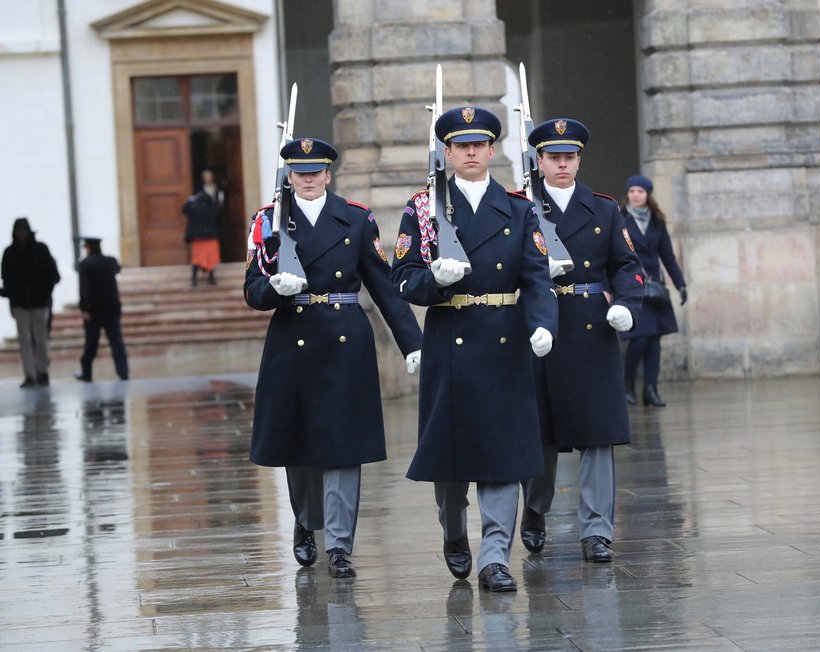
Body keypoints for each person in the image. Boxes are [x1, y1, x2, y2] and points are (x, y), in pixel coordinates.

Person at [390, 106, 558, 592]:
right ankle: (453, 529)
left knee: (503, 457)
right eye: (461, 145)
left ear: (491, 151)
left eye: (479, 144)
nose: (470, 151)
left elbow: (537, 278)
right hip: (451, 340)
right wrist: (435, 282)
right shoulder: (424, 208)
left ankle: (495, 558)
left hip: (505, 340)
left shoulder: (520, 209)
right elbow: (402, 278)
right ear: (447, 152)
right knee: (452, 460)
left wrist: (544, 324)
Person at [245, 137, 423, 579]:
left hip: (344, 338)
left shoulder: (357, 220)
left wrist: (413, 343)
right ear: (289, 175)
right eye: (299, 171)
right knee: (298, 447)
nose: (307, 178)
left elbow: (383, 287)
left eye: (315, 171)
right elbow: (252, 290)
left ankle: (340, 546)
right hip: (293, 338)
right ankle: (307, 522)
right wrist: (275, 290)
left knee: (345, 449)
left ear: (328, 174)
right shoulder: (268, 221)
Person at [517, 118, 644, 564]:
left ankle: (596, 530)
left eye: (569, 157)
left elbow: (626, 263)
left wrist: (627, 301)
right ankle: (535, 509)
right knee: (540, 433)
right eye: (554, 158)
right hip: (540, 324)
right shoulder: (522, 208)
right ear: (540, 161)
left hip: (592, 325)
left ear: (579, 160)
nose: (563, 164)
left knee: (598, 434)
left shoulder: (605, 209)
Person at [620, 175, 687, 407]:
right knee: (639, 339)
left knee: (654, 341)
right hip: (632, 287)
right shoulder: (620, 219)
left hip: (655, 289)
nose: (635, 195)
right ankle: (628, 384)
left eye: (640, 191)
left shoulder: (657, 222)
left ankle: (651, 389)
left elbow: (667, 256)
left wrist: (681, 284)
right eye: (631, 191)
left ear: (648, 194)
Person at [0, 217, 60, 388]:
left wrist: (45, 293)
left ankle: (42, 371)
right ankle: (30, 374)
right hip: (21, 303)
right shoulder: (10, 253)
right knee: (25, 340)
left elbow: (51, 274)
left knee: (40, 339)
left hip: (39, 302)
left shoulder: (40, 249)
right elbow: (7, 278)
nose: (21, 234)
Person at [74, 236, 129, 382]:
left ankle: (87, 372)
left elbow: (84, 288)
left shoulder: (85, 264)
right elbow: (117, 269)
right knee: (116, 340)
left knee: (91, 342)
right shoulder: (111, 261)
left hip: (94, 309)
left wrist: (84, 308)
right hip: (112, 306)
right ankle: (123, 371)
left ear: (88, 248)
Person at [181, 169, 224, 286]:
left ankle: (210, 277)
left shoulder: (217, 192)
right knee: (198, 257)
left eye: (209, 176)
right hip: (202, 233)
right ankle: (195, 278)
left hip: (208, 231)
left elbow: (219, 212)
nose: (208, 179)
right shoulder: (197, 194)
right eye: (206, 177)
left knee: (208, 257)